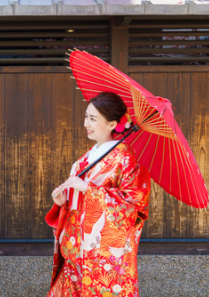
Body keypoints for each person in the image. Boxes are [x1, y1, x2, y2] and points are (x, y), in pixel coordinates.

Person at [46, 92, 151, 297]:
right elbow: (78, 203)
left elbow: (133, 206)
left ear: (112, 124)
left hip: (104, 258)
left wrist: (89, 190)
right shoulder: (88, 157)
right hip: (76, 249)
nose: (87, 123)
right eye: (86, 116)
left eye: (93, 119)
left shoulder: (124, 158)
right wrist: (63, 202)